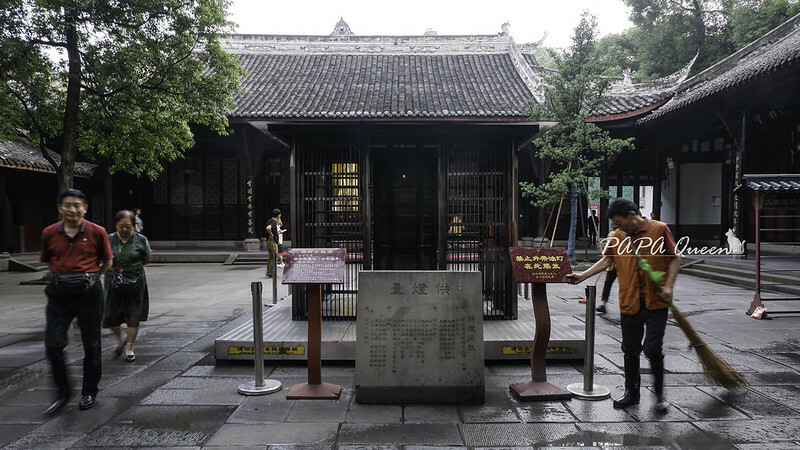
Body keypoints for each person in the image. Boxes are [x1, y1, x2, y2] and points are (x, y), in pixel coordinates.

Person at [565, 198, 680, 412]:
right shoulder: (618, 237)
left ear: (631, 214)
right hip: (629, 301)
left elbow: (675, 258)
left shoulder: (659, 229)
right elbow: (608, 260)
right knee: (630, 350)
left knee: (653, 349)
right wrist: (582, 276)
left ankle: (660, 397)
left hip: (656, 301)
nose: (617, 227)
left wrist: (670, 286)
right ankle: (632, 394)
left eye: (619, 222)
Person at [40, 189, 113, 413]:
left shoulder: (97, 231)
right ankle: (63, 392)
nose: (72, 209)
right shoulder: (49, 233)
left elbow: (107, 260)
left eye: (77, 205)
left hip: (89, 295)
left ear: (85, 208)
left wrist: (92, 278)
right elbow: (48, 261)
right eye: (68, 205)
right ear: (60, 208)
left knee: (92, 344)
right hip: (59, 296)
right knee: (53, 344)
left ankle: (89, 391)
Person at [104, 210, 152, 363]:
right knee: (109, 316)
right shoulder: (108, 239)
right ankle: (120, 339)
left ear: (133, 225)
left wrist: (131, 269)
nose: (124, 229)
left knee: (133, 316)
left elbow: (146, 259)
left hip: (135, 282)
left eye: (128, 226)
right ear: (116, 225)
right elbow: (102, 258)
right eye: (121, 226)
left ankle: (129, 347)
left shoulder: (141, 240)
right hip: (113, 282)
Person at [265, 208, 281, 277]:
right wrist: (271, 234)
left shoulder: (270, 220)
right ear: (278, 215)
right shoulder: (273, 222)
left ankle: (269, 272)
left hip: (269, 241)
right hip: (272, 241)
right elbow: (268, 228)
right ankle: (272, 273)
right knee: (274, 256)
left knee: (270, 257)